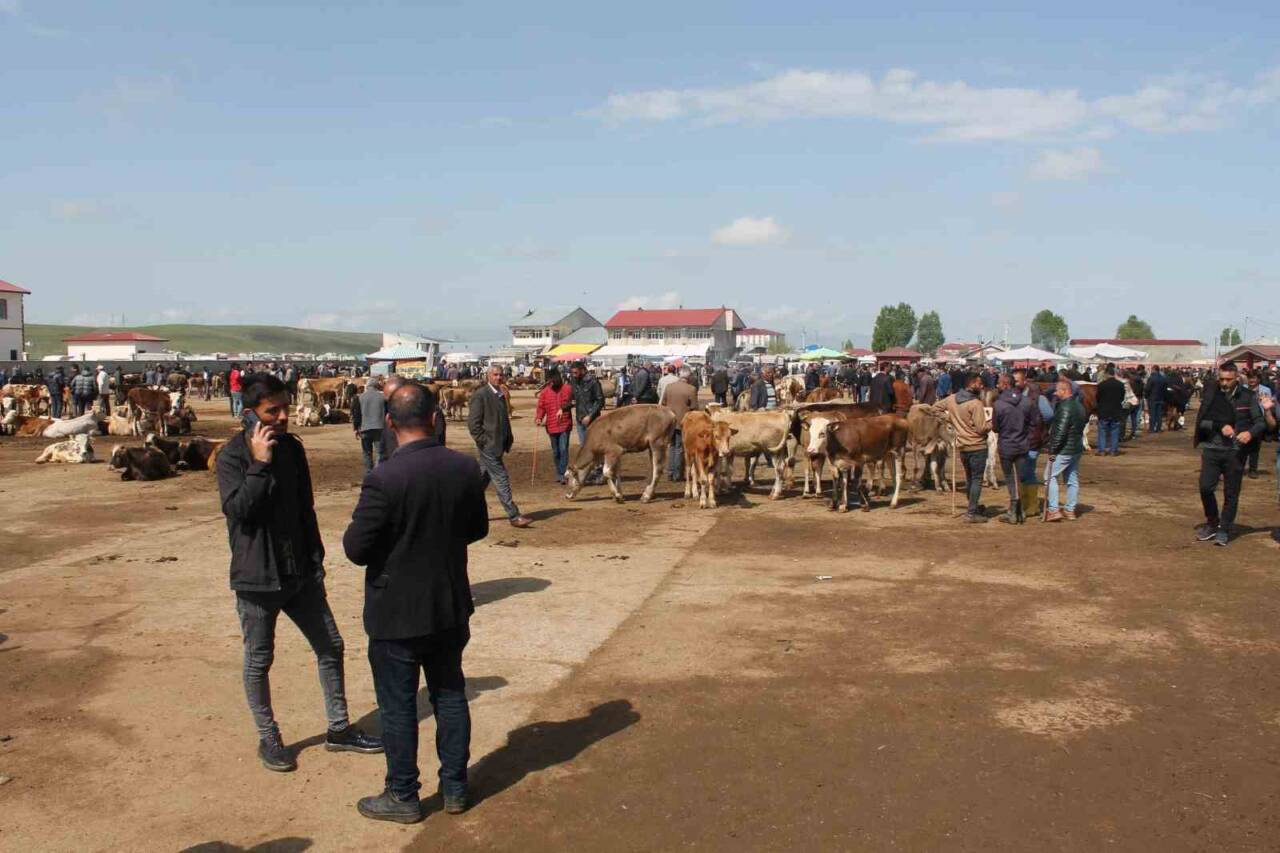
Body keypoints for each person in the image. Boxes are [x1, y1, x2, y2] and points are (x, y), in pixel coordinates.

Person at [215, 373, 382, 772]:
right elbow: (239, 510)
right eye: (272, 411)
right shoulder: (232, 457)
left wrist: (315, 559)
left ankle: (339, 728)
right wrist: (259, 464)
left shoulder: (292, 449)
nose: (282, 417)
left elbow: (305, 509)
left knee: (331, 646)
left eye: (285, 408)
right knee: (259, 659)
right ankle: (269, 737)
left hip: (299, 574)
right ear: (249, 413)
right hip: (257, 577)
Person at [343, 383, 489, 823]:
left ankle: (403, 794)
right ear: (435, 417)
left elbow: (356, 548)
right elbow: (477, 528)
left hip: (397, 612)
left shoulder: (384, 478)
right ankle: (455, 786)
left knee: (399, 706)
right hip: (448, 604)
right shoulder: (464, 467)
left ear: (389, 422)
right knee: (450, 695)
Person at [1193, 362, 1265, 546]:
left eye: (1228, 379)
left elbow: (1260, 422)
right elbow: (1201, 422)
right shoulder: (1212, 395)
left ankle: (1224, 529)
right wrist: (1219, 426)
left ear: (1237, 378)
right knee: (1205, 488)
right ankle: (1212, 522)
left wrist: (1249, 433)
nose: (1224, 383)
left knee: (1231, 492)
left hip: (1235, 451)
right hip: (1212, 449)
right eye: (1222, 379)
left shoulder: (1248, 396)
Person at [468, 365, 531, 528]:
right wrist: (484, 441)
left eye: (500, 375)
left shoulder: (500, 393)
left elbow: (503, 418)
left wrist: (507, 437)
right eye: (495, 375)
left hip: (498, 444)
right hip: (489, 446)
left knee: (481, 479)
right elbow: (473, 424)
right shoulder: (481, 395)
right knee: (501, 478)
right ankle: (514, 515)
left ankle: (463, 509)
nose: (498, 377)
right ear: (488, 376)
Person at [932, 372, 990, 523]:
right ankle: (971, 513)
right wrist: (991, 423)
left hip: (963, 446)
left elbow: (935, 408)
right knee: (976, 479)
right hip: (977, 445)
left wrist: (949, 418)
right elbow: (981, 428)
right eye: (979, 384)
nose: (982, 386)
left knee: (970, 478)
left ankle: (973, 506)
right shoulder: (976, 404)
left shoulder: (952, 399)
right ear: (972, 384)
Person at [992, 373, 1037, 524]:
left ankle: (1013, 510)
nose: (997, 385)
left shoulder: (998, 404)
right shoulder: (1027, 402)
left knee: (1010, 478)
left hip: (1006, 445)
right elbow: (1034, 422)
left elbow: (995, 428)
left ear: (1005, 384)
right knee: (1020, 477)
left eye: (999, 383)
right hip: (1022, 445)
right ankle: (1020, 510)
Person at [1043, 378, 1086, 521]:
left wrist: (1053, 449)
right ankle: (1070, 510)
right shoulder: (1079, 405)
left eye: (1057, 391)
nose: (1055, 393)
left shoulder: (1065, 407)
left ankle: (1053, 510)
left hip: (1064, 450)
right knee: (1072, 479)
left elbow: (1060, 431)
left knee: (1049, 477)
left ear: (1064, 391)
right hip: (1076, 448)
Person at [535, 368, 574, 484]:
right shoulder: (545, 392)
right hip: (551, 426)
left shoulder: (567, 389)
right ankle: (559, 472)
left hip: (565, 425)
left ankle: (563, 474)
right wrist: (539, 417)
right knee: (556, 451)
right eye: (549, 381)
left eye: (552, 380)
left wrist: (564, 408)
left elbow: (573, 402)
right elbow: (541, 407)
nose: (551, 383)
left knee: (563, 449)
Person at [569, 361, 604, 484]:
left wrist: (590, 415)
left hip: (592, 420)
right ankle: (590, 472)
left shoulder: (593, 382)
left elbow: (600, 400)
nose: (573, 375)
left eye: (575, 372)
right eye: (572, 373)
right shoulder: (574, 382)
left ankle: (599, 473)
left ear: (582, 370)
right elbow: (575, 398)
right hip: (580, 419)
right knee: (585, 447)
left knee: (596, 447)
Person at [659, 368, 698, 482]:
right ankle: (677, 473)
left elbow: (663, 403)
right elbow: (694, 407)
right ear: (688, 377)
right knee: (679, 447)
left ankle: (670, 472)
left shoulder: (669, 387)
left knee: (671, 446)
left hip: (669, 421)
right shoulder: (691, 389)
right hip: (683, 421)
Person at [352, 378, 386, 473]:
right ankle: (378, 473)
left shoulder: (359, 397)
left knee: (367, 452)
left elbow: (356, 415)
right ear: (377, 386)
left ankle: (369, 473)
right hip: (379, 428)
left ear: (367, 386)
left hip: (365, 428)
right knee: (379, 452)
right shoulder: (383, 397)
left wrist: (356, 428)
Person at [1244, 371, 1271, 478]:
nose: (1251, 380)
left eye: (1254, 378)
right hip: (1244, 420)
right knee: (1241, 445)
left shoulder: (1265, 390)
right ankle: (1239, 468)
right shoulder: (1243, 388)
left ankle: (1253, 470)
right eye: (1249, 378)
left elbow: (1268, 405)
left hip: (1259, 421)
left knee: (1255, 447)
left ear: (1258, 379)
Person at [1095, 367, 1126, 457]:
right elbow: (1122, 398)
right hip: (1116, 410)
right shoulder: (1120, 384)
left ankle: (1102, 451)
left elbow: (1097, 398)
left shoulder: (1101, 385)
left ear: (1106, 374)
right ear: (1114, 374)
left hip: (1104, 411)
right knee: (1115, 431)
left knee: (1102, 432)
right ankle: (1113, 451)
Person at [1146, 365, 1168, 433]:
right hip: (1161, 398)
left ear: (1153, 370)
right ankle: (1158, 428)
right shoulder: (1163, 378)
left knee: (1152, 414)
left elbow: (1147, 389)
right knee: (1159, 414)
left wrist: (1146, 396)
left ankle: (1152, 428)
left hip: (1152, 398)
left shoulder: (1151, 378)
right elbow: (1165, 389)